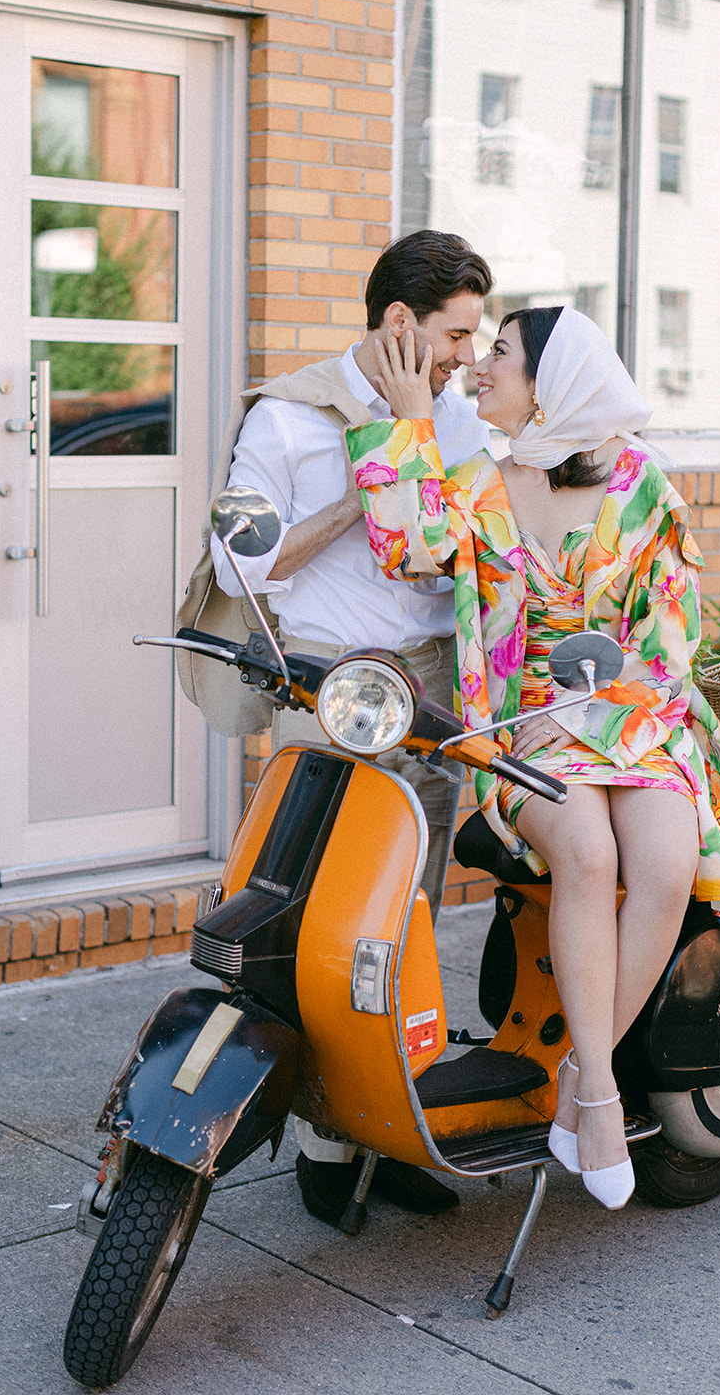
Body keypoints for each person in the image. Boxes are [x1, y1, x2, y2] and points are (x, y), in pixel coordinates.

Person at [349, 304, 720, 1211]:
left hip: (633, 717)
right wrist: (400, 421)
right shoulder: (481, 482)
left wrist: (587, 712)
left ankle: (582, 1081)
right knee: (590, 858)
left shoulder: (643, 489)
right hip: (515, 733)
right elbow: (405, 544)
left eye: (501, 355)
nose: (481, 366)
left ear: (548, 384)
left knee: (667, 864)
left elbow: (669, 647)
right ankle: (594, 1094)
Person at [211, 230, 493, 1225]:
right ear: (401, 322)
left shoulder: (452, 418)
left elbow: (460, 543)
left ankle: (392, 1123)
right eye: (458, 333)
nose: (469, 352)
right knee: (312, 927)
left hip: (430, 690)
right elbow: (238, 559)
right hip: (332, 692)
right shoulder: (289, 414)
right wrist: (354, 497)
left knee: (402, 921)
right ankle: (324, 1152)